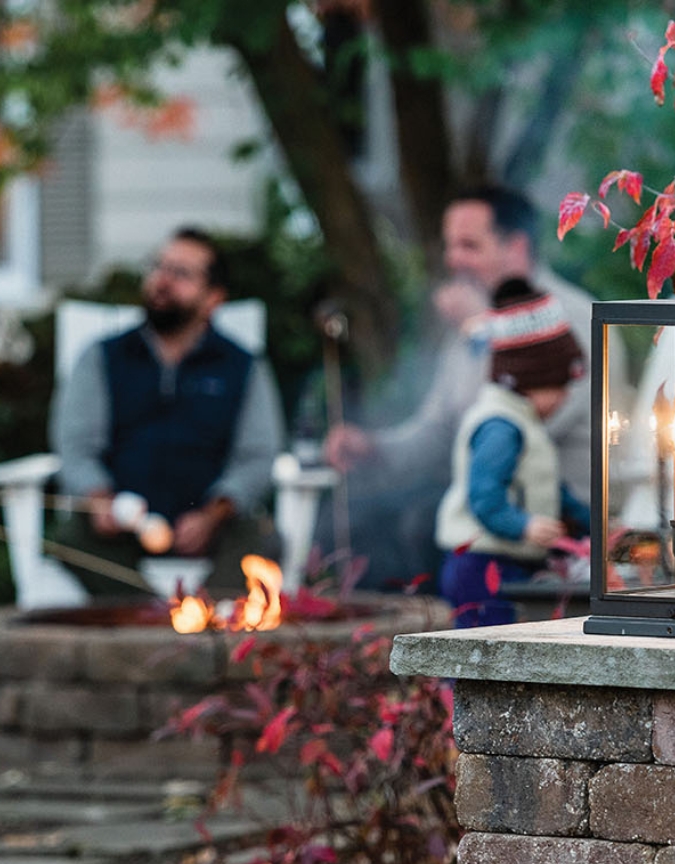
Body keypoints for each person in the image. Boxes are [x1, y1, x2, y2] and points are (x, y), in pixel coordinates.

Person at [321, 184, 630, 589]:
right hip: (493, 513)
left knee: (419, 521)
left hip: (557, 523)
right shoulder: (471, 323)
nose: (453, 260)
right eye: (450, 247)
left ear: (516, 248)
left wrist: (483, 328)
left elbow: (517, 426)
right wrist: (375, 447)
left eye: (469, 245)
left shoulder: (569, 320)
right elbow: (437, 428)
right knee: (353, 515)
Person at [50, 226, 284, 596]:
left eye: (181, 274)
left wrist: (212, 514)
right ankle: (153, 620)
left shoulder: (244, 367)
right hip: (121, 531)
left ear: (214, 298)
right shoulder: (102, 357)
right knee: (69, 537)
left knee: (263, 540)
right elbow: (75, 446)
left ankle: (205, 621)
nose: (162, 280)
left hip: (213, 529)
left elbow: (257, 456)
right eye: (159, 267)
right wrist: (100, 501)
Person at [436, 279, 590, 628]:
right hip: (480, 562)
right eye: (560, 386)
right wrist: (524, 525)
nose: (565, 397)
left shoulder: (525, 425)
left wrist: (588, 521)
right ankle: (456, 686)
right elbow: (485, 497)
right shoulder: (500, 428)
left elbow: (548, 486)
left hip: (508, 561)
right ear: (532, 379)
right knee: (483, 648)